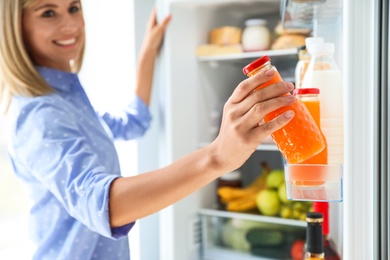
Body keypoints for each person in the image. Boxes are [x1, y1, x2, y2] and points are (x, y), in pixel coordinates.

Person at [0, 0, 296, 259]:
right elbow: (104, 205)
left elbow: (132, 122)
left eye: (73, 8)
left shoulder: (66, 97)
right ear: (15, 25)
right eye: (48, 12)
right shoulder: (39, 114)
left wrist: (149, 51)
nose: (70, 25)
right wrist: (217, 156)